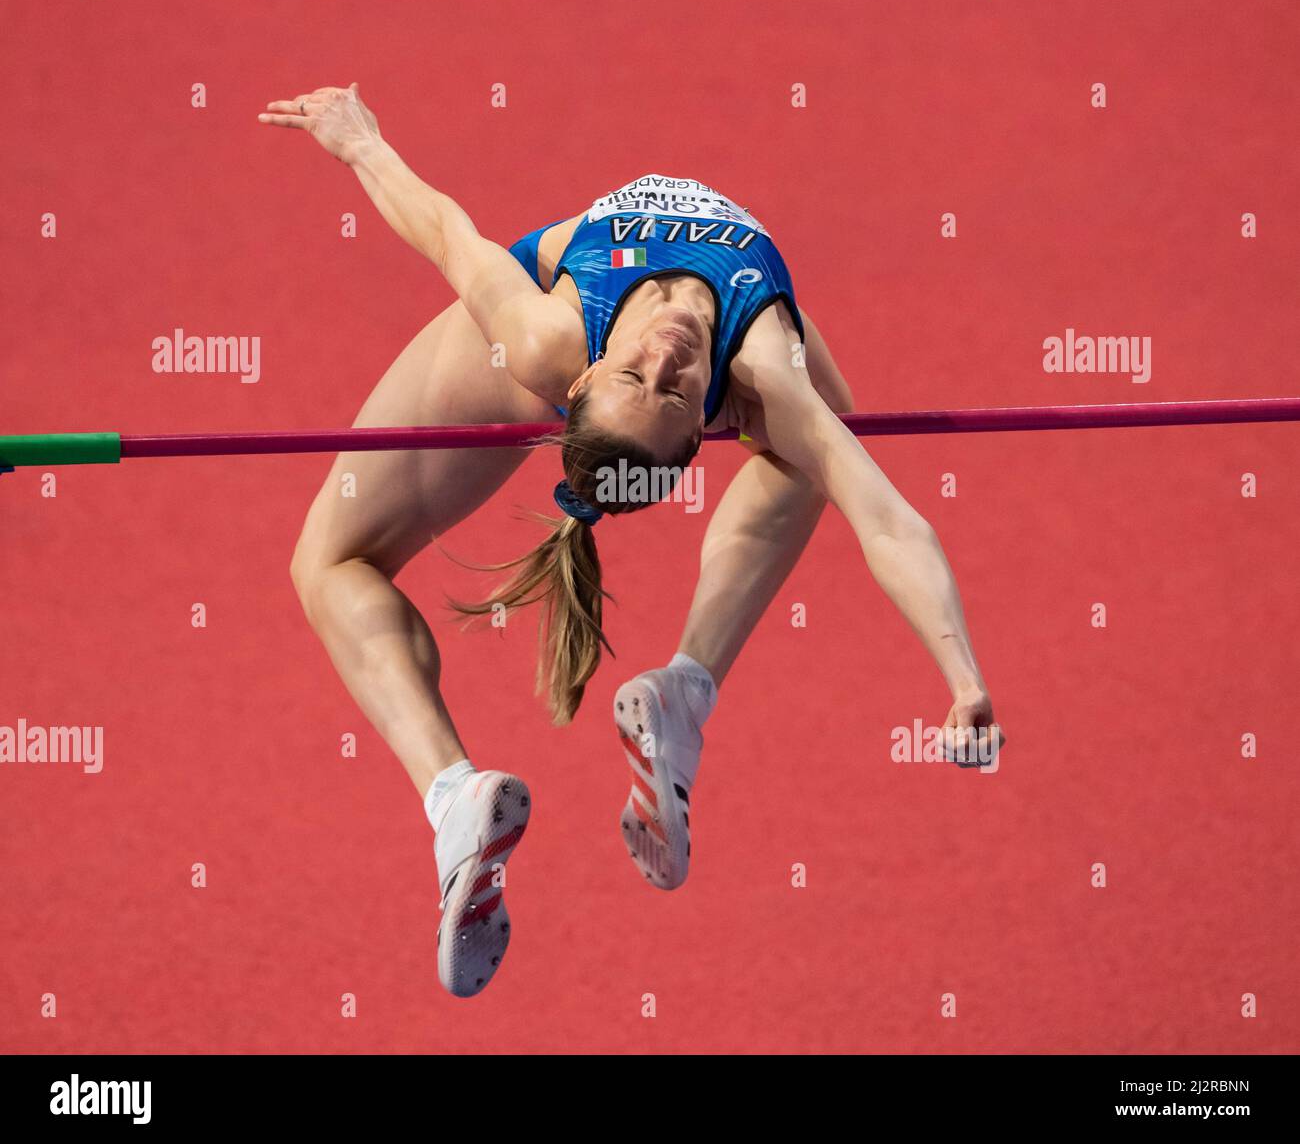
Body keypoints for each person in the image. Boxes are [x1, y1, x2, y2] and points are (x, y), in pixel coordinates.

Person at [261, 84, 1001, 997]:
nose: (669, 349)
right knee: (331, 566)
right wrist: (962, 672)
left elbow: (887, 519)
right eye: (659, 379)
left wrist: (959, 673)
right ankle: (486, 793)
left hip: (584, 334)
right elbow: (445, 234)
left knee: (328, 560)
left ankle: (493, 783)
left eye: (657, 381)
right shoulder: (655, 353)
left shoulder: (656, 353)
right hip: (549, 338)